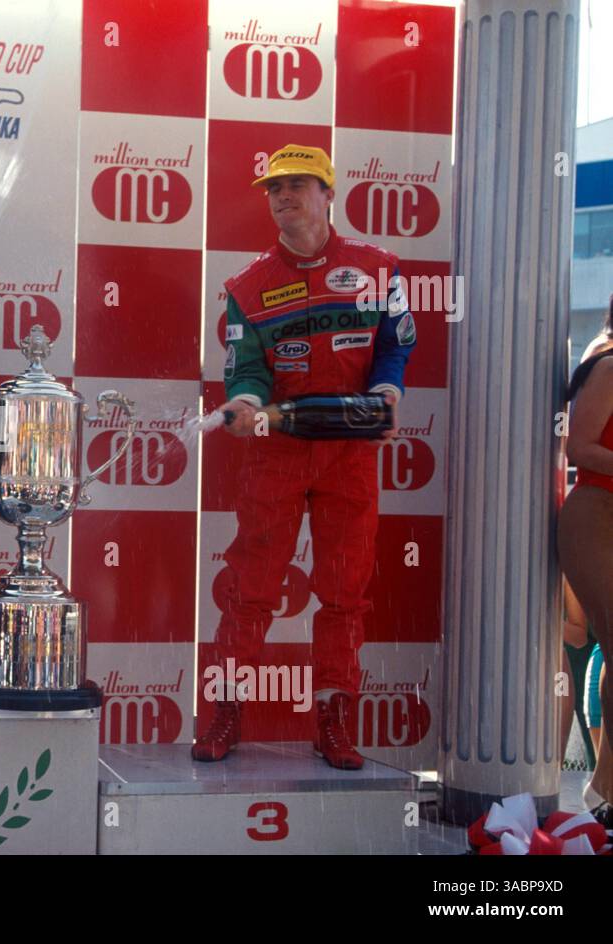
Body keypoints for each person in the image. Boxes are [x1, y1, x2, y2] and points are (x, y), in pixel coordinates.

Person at [193, 144, 415, 770]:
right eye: (273, 188)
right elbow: (247, 371)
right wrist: (243, 405)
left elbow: (395, 344)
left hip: (350, 452)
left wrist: (388, 389)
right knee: (251, 589)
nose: (283, 195)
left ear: (327, 194)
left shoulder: (380, 268)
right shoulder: (247, 286)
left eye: (297, 184)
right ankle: (223, 715)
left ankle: (335, 723)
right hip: (279, 453)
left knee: (345, 593)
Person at [559, 293, 613, 819]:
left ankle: (602, 784)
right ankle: (601, 786)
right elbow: (579, 448)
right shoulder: (609, 361)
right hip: (596, 513)